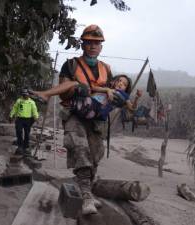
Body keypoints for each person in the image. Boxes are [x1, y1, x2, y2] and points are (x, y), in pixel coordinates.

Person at [38, 24, 137, 215]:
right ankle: (86, 196)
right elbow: (64, 92)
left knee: (95, 153)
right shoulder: (71, 65)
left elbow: (113, 92)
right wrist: (77, 90)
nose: (93, 46)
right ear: (83, 44)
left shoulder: (106, 69)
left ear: (101, 47)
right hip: (75, 114)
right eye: (89, 42)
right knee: (80, 148)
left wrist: (116, 98)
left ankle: (87, 190)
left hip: (96, 119)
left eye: (97, 43)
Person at [30, 75, 142, 121]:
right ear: (113, 82)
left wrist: (137, 97)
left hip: (95, 110)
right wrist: (107, 90)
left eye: (124, 83)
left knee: (84, 98)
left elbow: (132, 108)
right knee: (75, 84)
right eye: (119, 80)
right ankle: (47, 95)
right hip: (89, 103)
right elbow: (94, 88)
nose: (120, 83)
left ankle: (47, 95)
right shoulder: (107, 88)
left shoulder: (124, 96)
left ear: (126, 88)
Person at [9, 88, 39, 156]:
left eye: (26, 95)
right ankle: (20, 146)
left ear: (28, 95)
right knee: (19, 131)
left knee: (27, 133)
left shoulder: (31, 102)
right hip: (19, 119)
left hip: (28, 120)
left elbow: (34, 111)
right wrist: (11, 115)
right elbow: (14, 108)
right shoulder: (19, 101)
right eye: (23, 95)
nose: (25, 96)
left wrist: (36, 118)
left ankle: (26, 147)